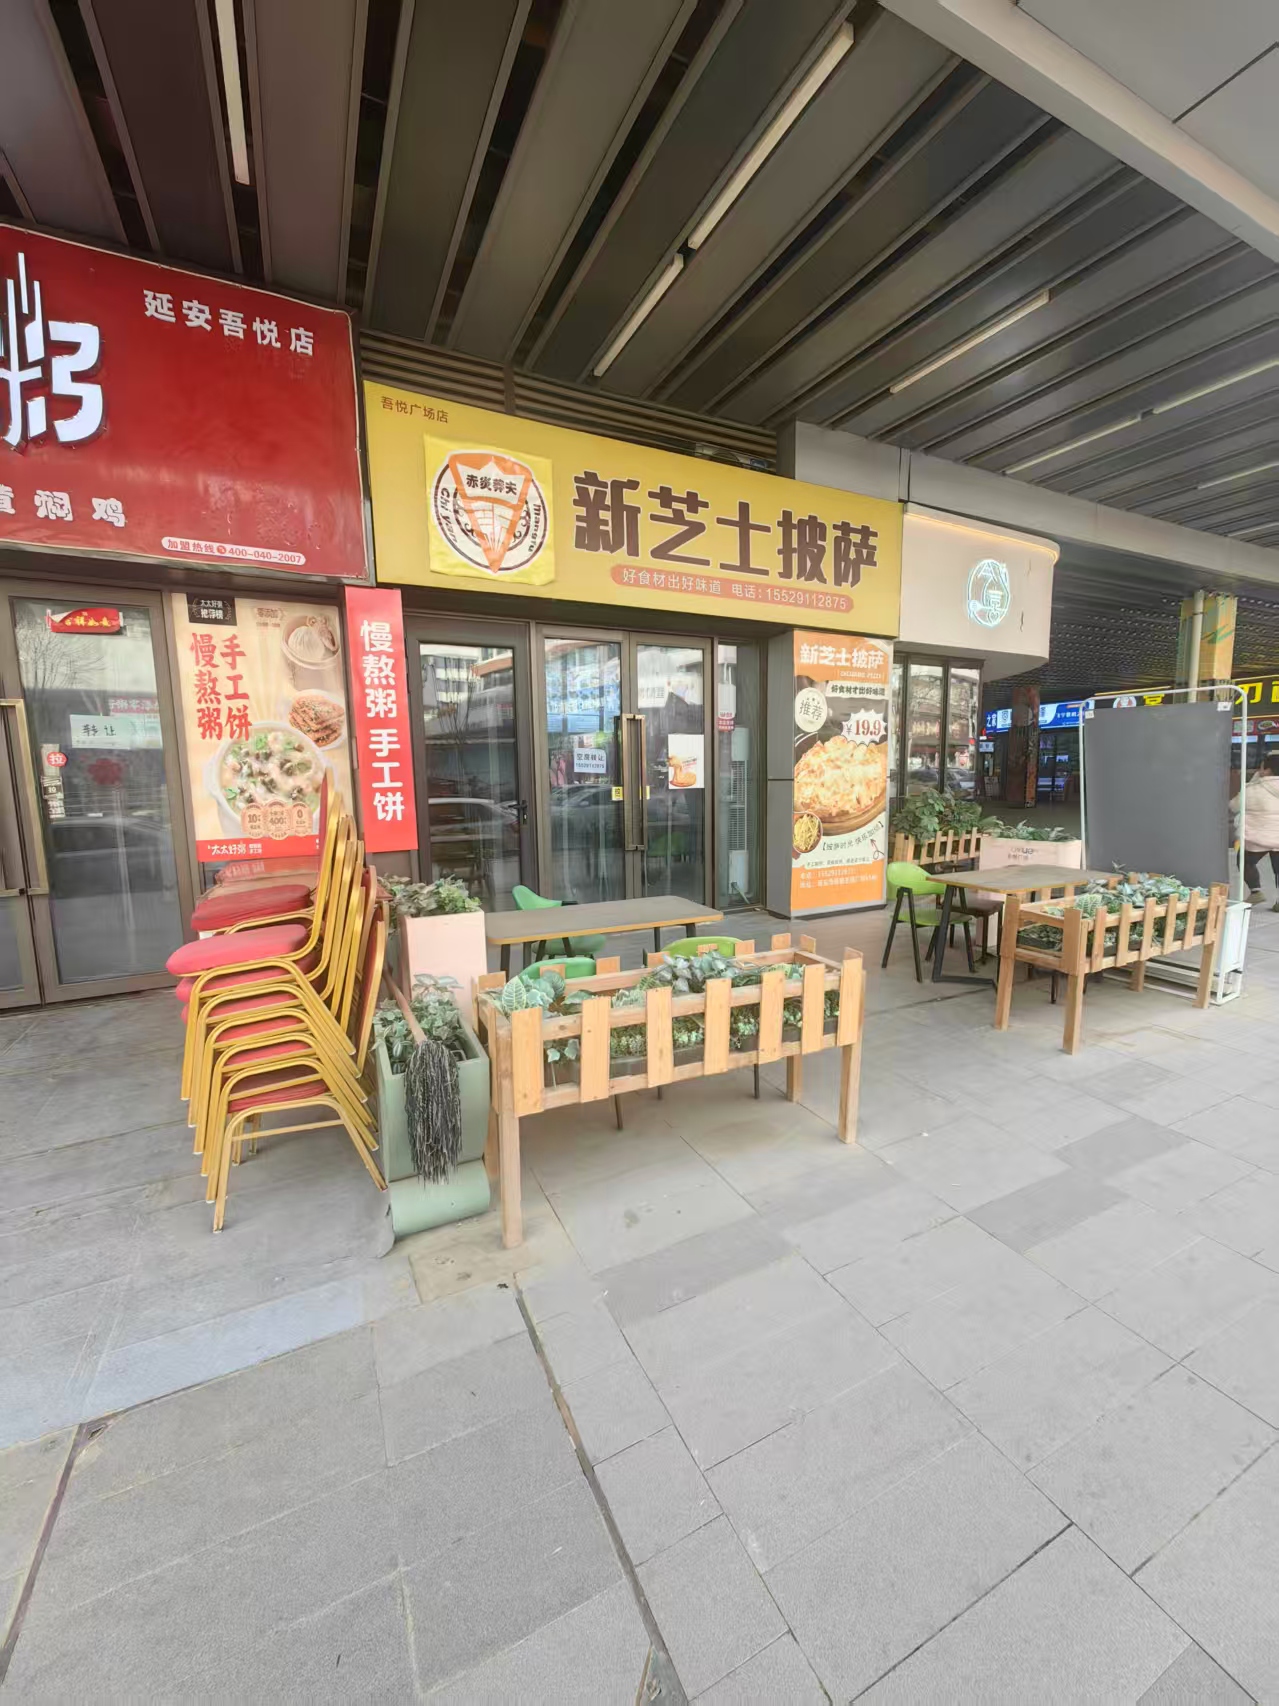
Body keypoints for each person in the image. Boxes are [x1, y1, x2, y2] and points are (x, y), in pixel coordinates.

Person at [1235, 751, 1279, 905]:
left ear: (1267, 770)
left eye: (1261, 767)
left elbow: (1234, 806)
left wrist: (1254, 781)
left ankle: (1256, 892)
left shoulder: (1252, 789)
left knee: (1244, 860)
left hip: (1258, 839)